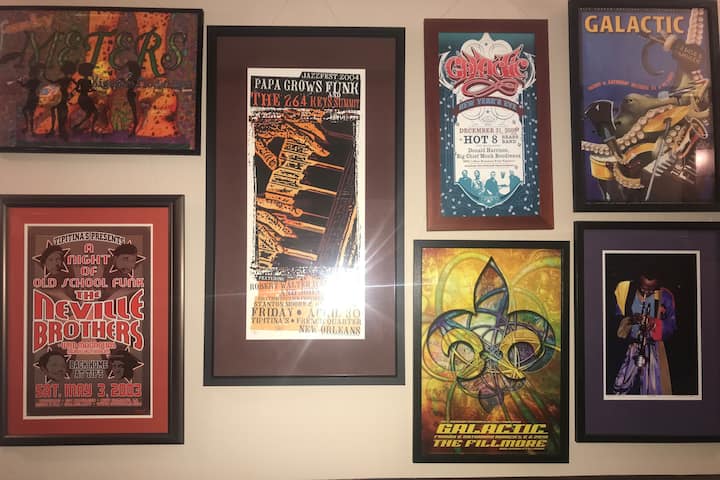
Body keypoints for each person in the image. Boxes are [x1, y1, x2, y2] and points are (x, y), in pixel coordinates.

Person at [611, 270, 677, 395]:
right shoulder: (624, 289)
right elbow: (614, 321)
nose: (646, 293)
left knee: (654, 390)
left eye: (651, 290)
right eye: (643, 289)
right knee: (619, 388)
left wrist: (654, 324)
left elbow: (672, 326)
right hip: (627, 348)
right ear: (637, 281)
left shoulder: (666, 296)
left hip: (654, 350)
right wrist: (630, 320)